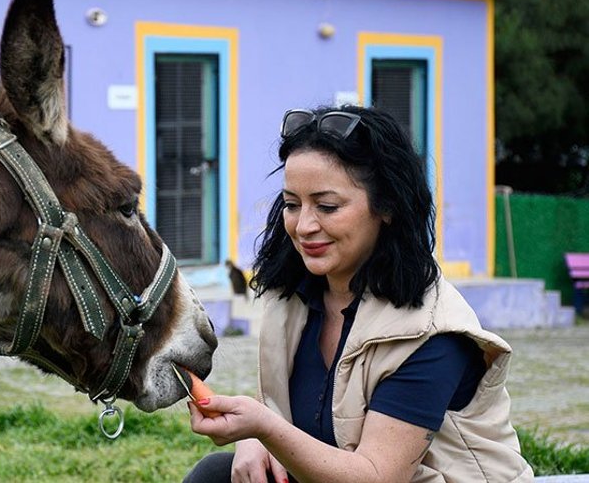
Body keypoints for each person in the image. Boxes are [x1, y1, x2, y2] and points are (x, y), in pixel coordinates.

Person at [182, 105, 533, 482]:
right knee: (215, 475)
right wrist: (255, 438)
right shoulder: (292, 299)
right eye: (292, 204)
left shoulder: (432, 332)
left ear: (387, 206)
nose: (304, 226)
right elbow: (276, 407)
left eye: (327, 206)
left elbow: (376, 476)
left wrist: (265, 429)